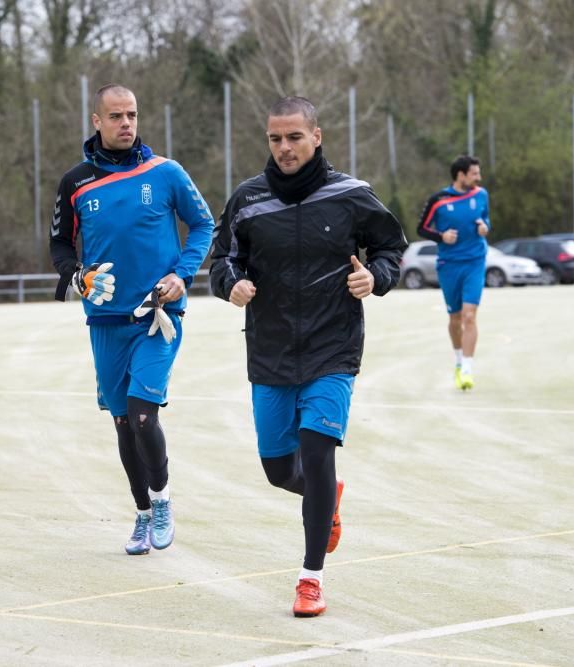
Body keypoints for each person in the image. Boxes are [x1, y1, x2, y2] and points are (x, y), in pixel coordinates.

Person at [210, 96, 407, 618]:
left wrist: (376, 277)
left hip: (331, 348)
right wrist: (231, 284)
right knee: (279, 470)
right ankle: (329, 496)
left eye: (294, 137)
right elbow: (221, 260)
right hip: (271, 351)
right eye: (275, 138)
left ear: (316, 136)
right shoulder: (247, 200)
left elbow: (391, 248)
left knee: (318, 452)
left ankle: (310, 577)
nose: (284, 148)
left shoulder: (351, 195)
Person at [49, 84, 214, 555]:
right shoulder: (75, 182)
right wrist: (75, 276)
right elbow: (60, 244)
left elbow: (204, 225)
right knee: (123, 423)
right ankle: (141, 513)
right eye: (116, 116)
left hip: (158, 314)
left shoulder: (166, 173)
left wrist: (183, 275)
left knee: (144, 416)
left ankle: (162, 502)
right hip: (104, 321)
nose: (126, 123)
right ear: (96, 121)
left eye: (133, 115)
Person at [416, 155, 491, 390]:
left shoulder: (481, 195)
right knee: (455, 319)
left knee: (470, 316)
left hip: (475, 262)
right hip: (449, 265)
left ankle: (467, 369)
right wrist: (442, 237)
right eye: (474, 174)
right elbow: (422, 228)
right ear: (461, 175)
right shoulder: (438, 200)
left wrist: (484, 228)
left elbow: (485, 219)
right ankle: (458, 360)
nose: (478, 178)